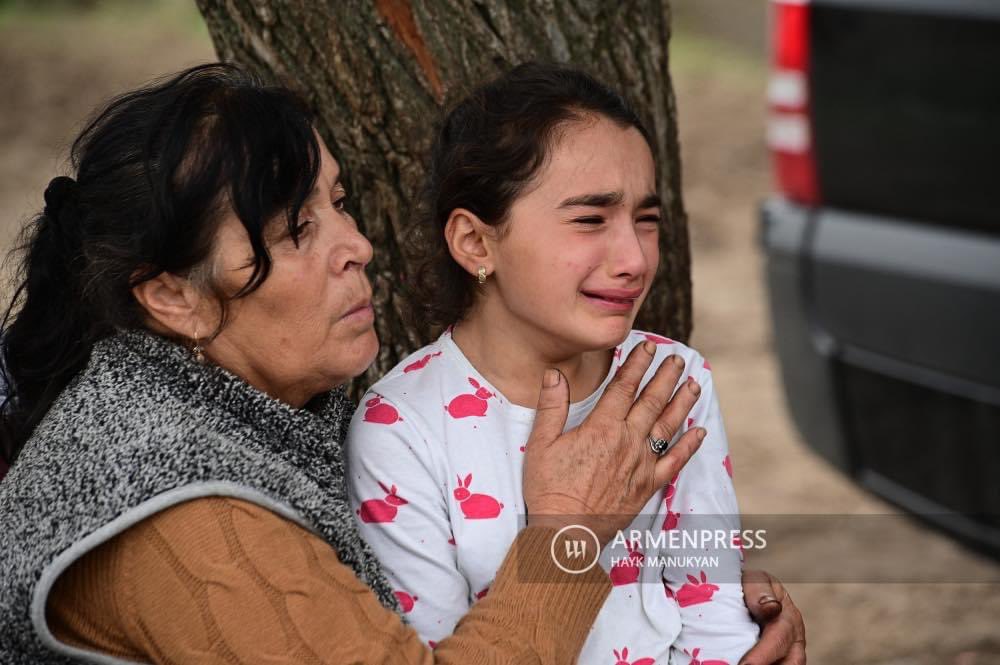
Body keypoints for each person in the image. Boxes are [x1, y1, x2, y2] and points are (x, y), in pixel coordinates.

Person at [0, 63, 804, 664]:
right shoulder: (187, 523)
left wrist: (705, 600)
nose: (358, 247)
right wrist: (572, 534)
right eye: (296, 231)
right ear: (173, 297)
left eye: (339, 204)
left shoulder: (218, 406)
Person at [346, 63, 784, 665]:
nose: (633, 258)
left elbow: (713, 606)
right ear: (476, 242)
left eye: (647, 221)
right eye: (589, 220)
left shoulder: (672, 383)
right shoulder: (402, 430)